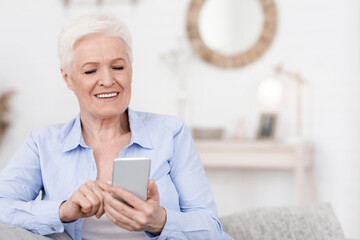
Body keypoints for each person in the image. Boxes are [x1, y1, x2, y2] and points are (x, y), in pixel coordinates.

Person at [0, 13, 231, 240]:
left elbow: (211, 228)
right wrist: (62, 210)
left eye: (118, 67)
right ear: (67, 78)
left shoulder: (171, 133)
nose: (108, 80)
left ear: (131, 70)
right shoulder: (43, 143)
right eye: (90, 71)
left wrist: (160, 221)